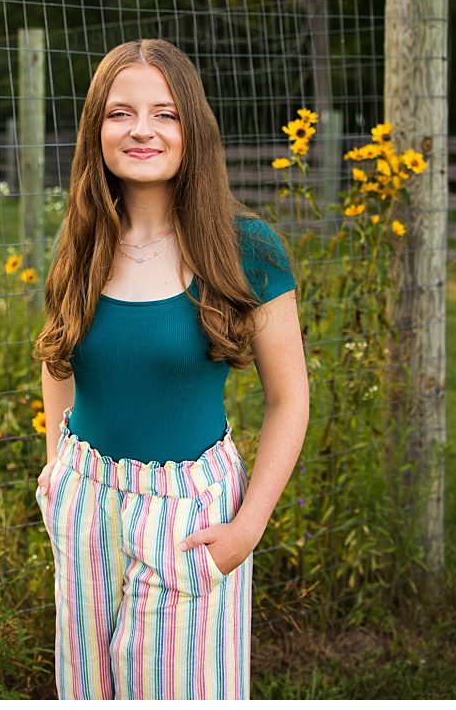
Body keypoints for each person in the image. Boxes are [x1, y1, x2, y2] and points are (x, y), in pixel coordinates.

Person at [29, 38, 308, 699]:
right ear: (97, 127)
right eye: (120, 112)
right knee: (89, 687)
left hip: (188, 516)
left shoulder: (247, 248)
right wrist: (54, 470)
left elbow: (289, 400)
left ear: (194, 128)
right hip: (85, 502)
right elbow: (57, 354)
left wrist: (247, 529)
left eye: (165, 113)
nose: (142, 130)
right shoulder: (86, 235)